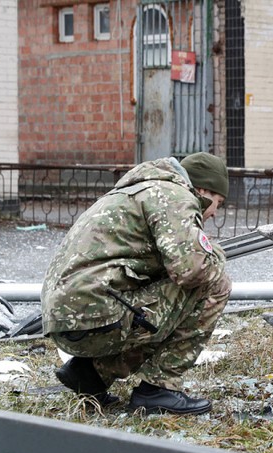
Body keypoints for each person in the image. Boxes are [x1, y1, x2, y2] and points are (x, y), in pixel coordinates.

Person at [41, 153, 232, 415]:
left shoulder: (139, 190)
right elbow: (191, 271)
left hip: (67, 319)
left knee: (167, 300)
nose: (213, 213)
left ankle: (91, 374)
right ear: (204, 190)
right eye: (217, 203)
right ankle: (158, 388)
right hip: (94, 316)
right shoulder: (175, 195)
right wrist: (214, 255)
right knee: (215, 282)